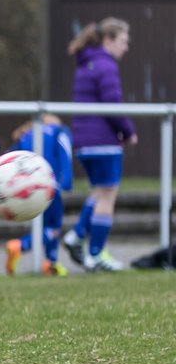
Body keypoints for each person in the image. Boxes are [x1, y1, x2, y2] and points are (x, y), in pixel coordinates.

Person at [62, 18, 136, 272]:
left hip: (84, 141)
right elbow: (112, 104)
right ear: (109, 40)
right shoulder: (106, 65)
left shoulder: (85, 63)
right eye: (123, 42)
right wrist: (128, 132)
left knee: (99, 192)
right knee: (108, 195)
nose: (126, 48)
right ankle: (95, 254)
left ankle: (76, 235)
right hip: (103, 140)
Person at [5, 114, 74, 277]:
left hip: (27, 189)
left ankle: (50, 263)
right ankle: (22, 246)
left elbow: (9, 157)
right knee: (53, 227)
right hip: (49, 185)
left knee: (41, 224)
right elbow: (65, 150)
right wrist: (67, 180)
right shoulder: (59, 130)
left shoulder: (27, 134)